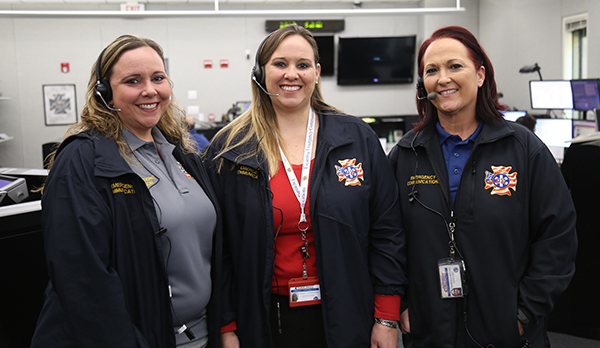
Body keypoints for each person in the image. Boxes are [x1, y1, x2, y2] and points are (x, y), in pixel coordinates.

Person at [203, 24, 407, 348]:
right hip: (262, 317)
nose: (291, 74)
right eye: (280, 64)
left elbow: (387, 231)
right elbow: (219, 248)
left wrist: (386, 317)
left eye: (302, 65)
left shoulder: (356, 138)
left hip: (348, 311)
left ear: (317, 72)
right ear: (260, 72)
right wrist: (226, 326)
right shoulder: (230, 149)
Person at [388, 26, 577, 348]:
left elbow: (557, 236)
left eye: (454, 66)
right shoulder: (406, 155)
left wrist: (524, 313)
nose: (442, 78)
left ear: (479, 75)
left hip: (505, 333)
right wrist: (400, 306)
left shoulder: (523, 149)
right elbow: (387, 239)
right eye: (431, 71)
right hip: (428, 331)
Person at [31, 35, 222, 348]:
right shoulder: (82, 161)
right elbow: (81, 279)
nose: (150, 90)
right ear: (105, 93)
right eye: (133, 81)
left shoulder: (181, 154)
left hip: (197, 335)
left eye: (158, 78)